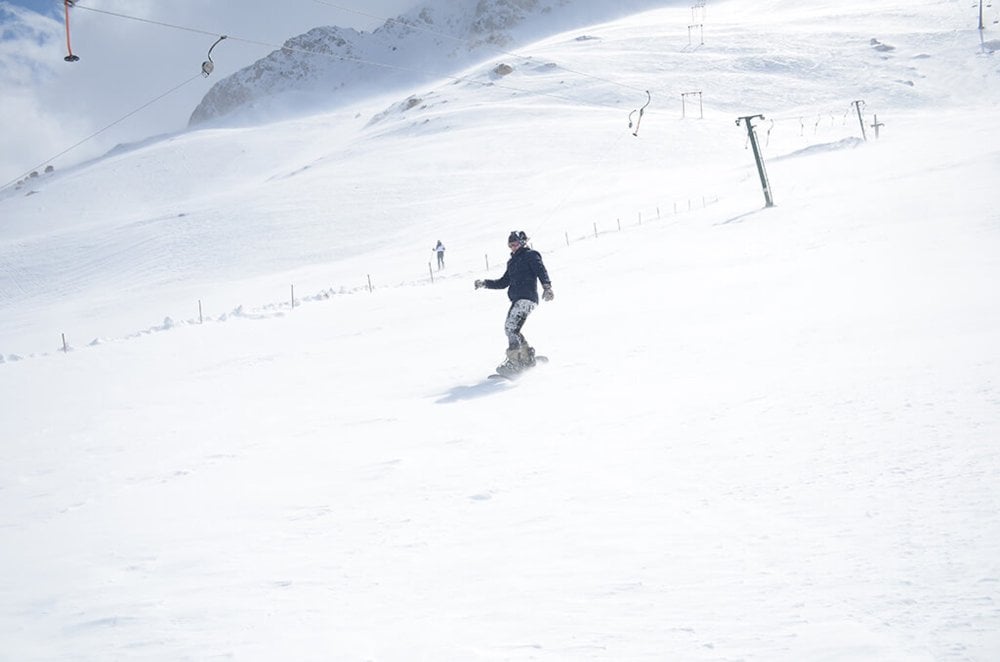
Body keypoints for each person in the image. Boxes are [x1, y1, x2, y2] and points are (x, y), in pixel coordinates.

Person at [475, 231, 554, 375]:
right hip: (518, 299)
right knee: (513, 329)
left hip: (527, 297)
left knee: (510, 328)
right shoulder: (512, 262)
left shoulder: (531, 255)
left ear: (523, 242)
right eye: (510, 245)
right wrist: (484, 283)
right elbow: (503, 282)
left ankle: (515, 363)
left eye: (516, 244)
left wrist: (547, 287)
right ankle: (527, 358)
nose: (513, 248)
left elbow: (541, 270)